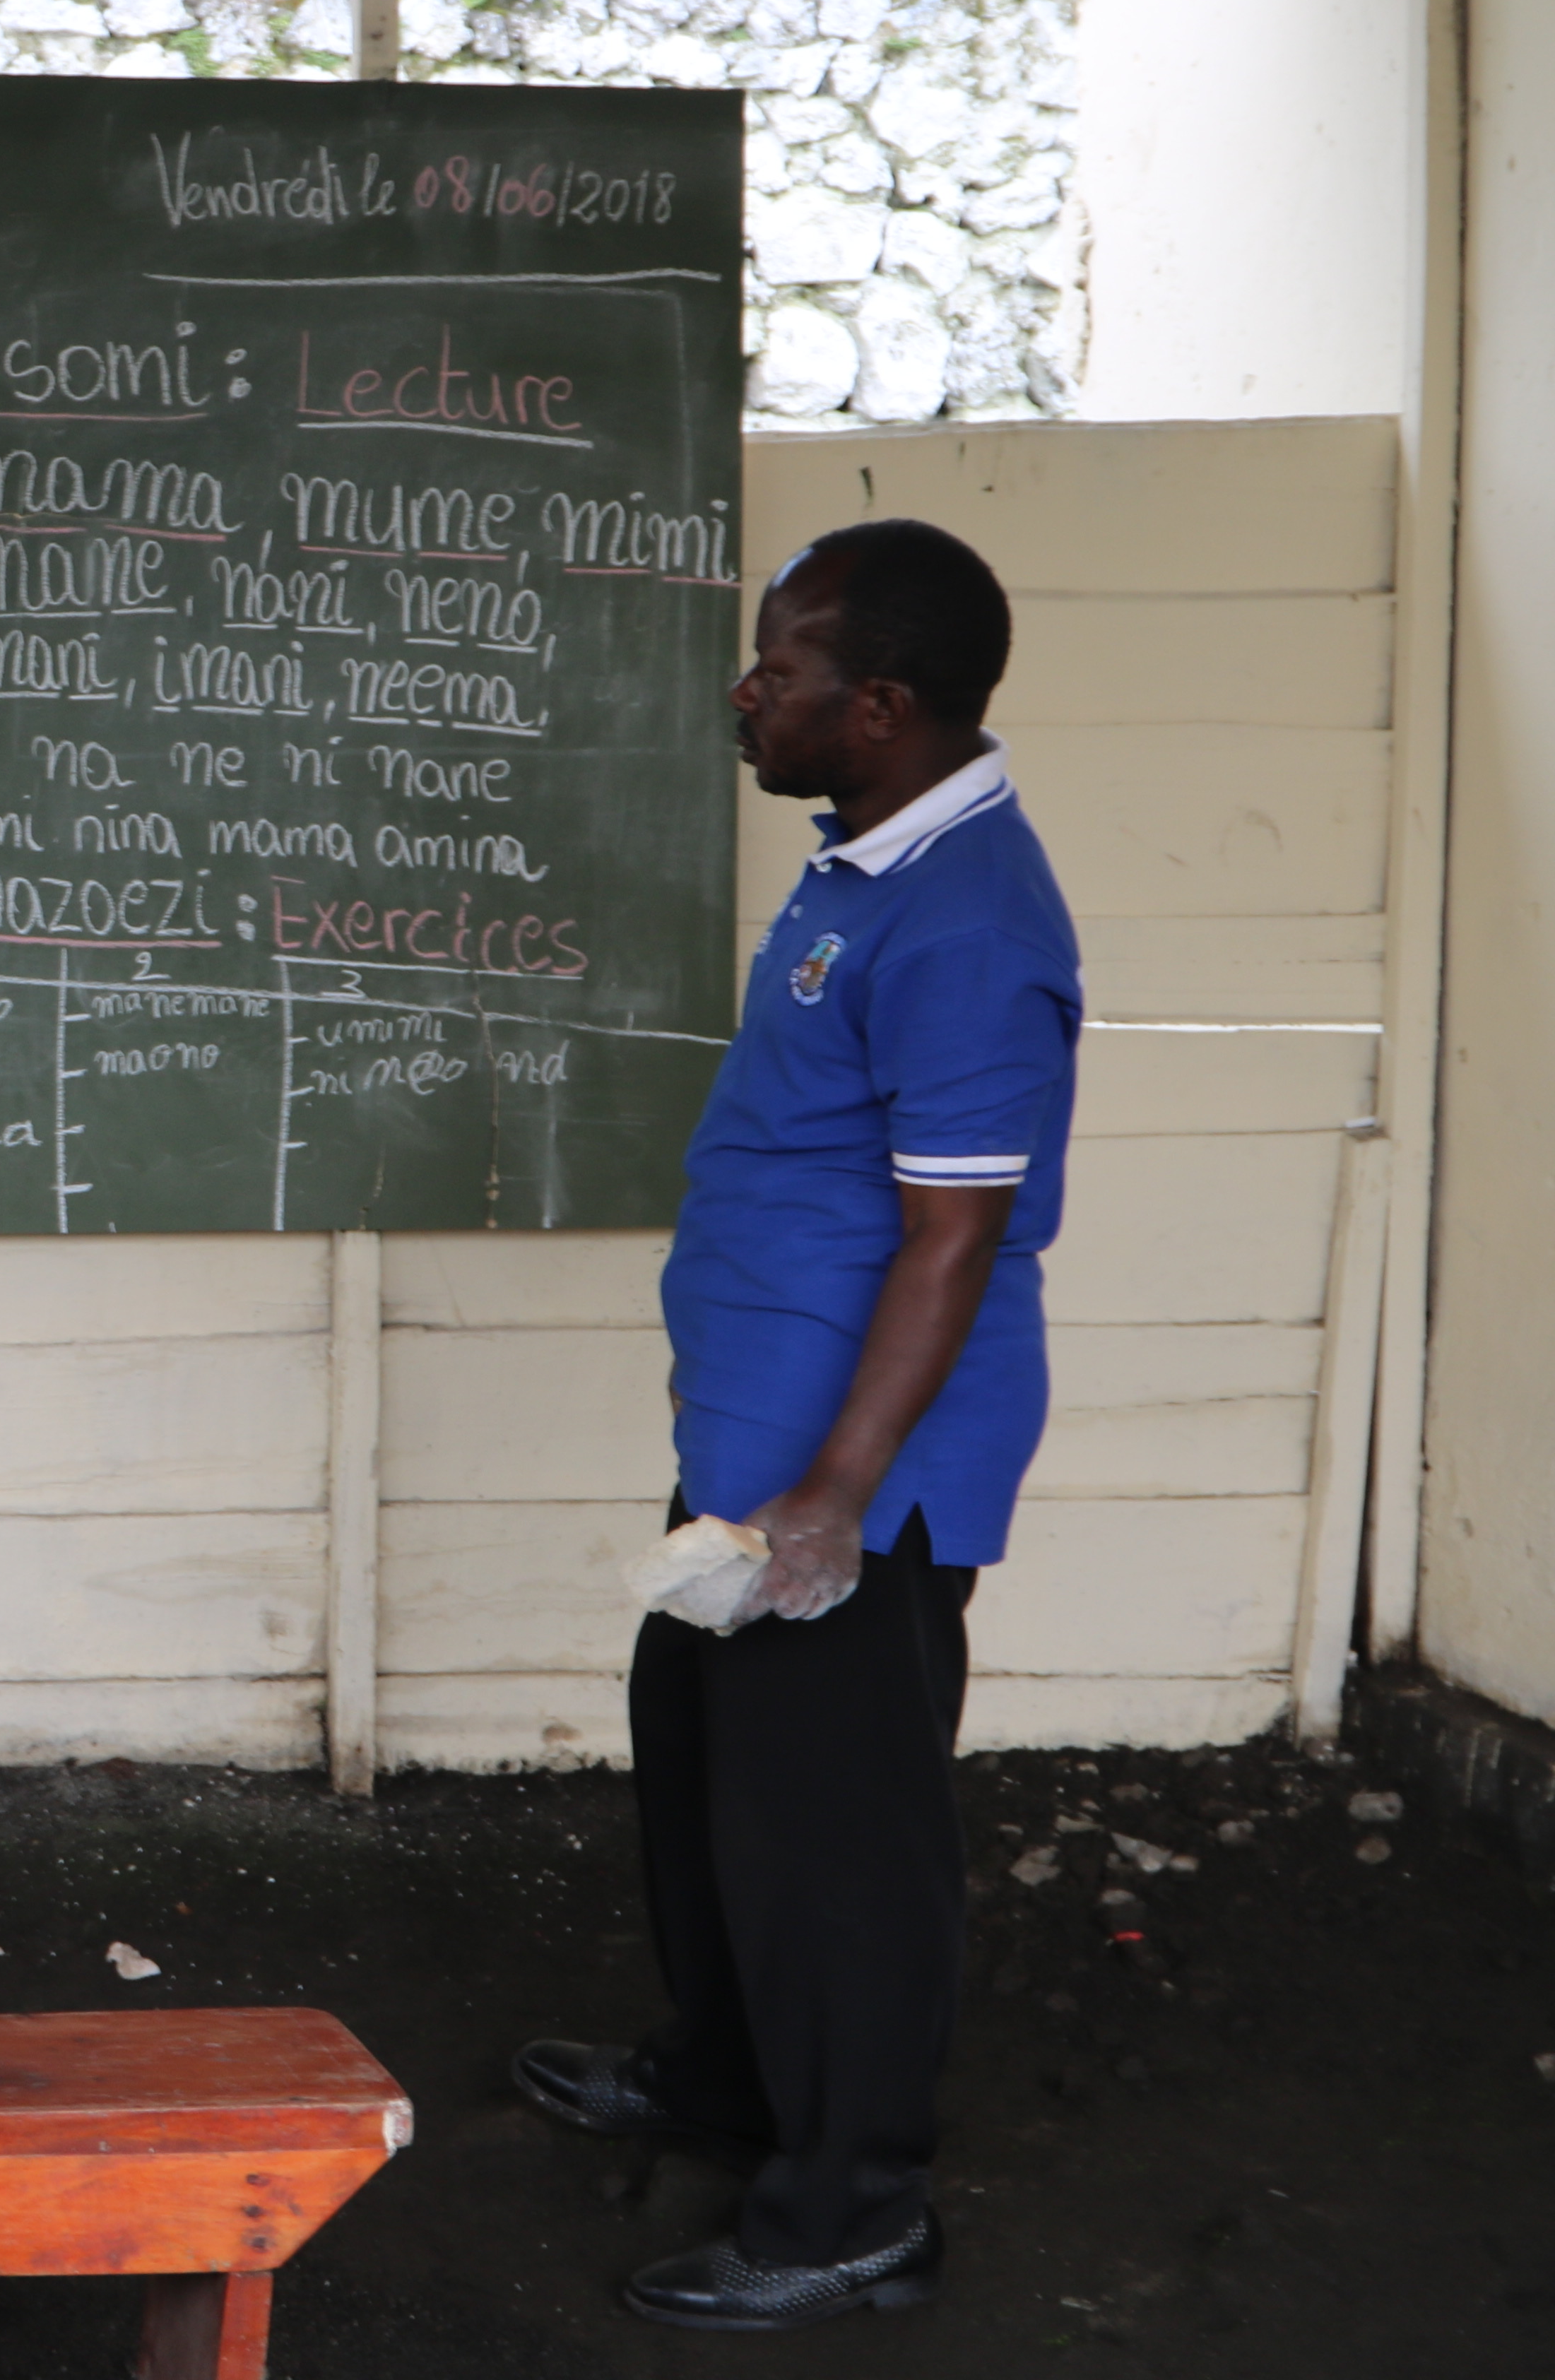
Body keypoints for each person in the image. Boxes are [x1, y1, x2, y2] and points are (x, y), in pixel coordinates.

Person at [514, 519, 1082, 2331]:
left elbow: (955, 1235)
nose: (745, 693)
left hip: (864, 1476)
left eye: (780, 669)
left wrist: (838, 1496)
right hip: (763, 1441)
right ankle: (728, 2078)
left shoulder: (973, 923)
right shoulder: (866, 859)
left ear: (884, 704)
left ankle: (853, 2206)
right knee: (708, 1769)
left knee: (838, 1836)